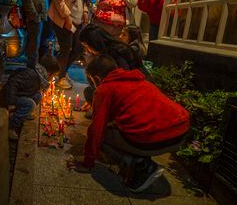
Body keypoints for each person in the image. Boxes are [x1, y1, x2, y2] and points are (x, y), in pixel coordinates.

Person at [73, 55, 190, 193]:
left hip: (155, 138)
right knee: (115, 129)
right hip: (181, 132)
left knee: (103, 136)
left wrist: (87, 163)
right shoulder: (140, 81)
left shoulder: (105, 89)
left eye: (92, 81)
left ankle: (141, 165)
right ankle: (140, 158)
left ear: (97, 79)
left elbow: (96, 130)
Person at [48, 0, 90, 89]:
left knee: (78, 49)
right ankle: (61, 77)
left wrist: (84, 11)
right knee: (66, 48)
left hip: (77, 20)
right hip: (63, 19)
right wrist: (67, 18)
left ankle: (62, 71)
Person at [0, 64, 49, 140]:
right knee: (30, 104)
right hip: (8, 98)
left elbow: (29, 89)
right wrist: (11, 103)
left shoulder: (35, 78)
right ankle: (11, 127)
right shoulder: (29, 76)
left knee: (38, 95)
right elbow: (12, 84)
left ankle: (25, 113)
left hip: (19, 94)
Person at [20, 0, 51, 68]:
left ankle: (33, 67)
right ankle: (31, 69)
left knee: (35, 44)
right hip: (35, 19)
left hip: (40, 18)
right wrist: (35, 17)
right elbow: (27, 0)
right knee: (34, 45)